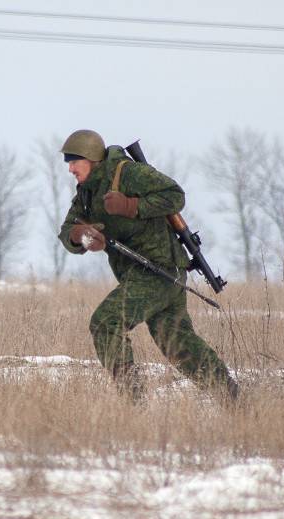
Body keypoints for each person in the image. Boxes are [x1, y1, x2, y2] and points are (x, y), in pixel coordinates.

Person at [56, 130, 238, 403]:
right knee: (177, 344)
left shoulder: (128, 173)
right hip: (146, 275)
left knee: (106, 322)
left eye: (74, 161)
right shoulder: (87, 192)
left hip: (159, 270)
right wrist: (80, 236)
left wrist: (132, 205)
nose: (70, 168)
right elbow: (68, 229)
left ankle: (134, 401)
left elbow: (174, 195)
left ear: (91, 158)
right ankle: (235, 402)